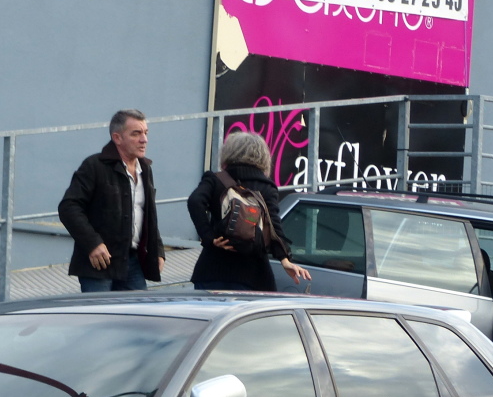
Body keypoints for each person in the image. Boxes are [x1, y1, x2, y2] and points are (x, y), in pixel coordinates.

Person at [186, 131, 310, 291]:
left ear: (229, 153)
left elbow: (195, 201)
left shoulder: (216, 180)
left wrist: (209, 237)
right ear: (263, 156)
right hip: (253, 275)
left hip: (212, 271)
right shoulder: (267, 187)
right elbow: (274, 226)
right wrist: (284, 259)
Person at [58, 109, 165, 292]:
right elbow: (69, 207)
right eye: (136, 133)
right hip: (99, 264)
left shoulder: (145, 169)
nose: (144, 140)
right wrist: (93, 244)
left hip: (133, 261)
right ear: (117, 138)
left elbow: (147, 215)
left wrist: (158, 250)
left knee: (138, 318)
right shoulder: (94, 166)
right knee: (99, 318)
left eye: (146, 133)